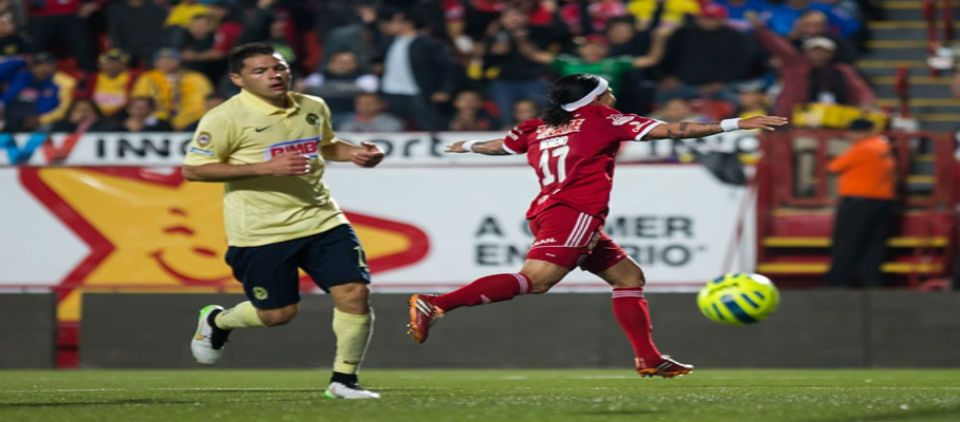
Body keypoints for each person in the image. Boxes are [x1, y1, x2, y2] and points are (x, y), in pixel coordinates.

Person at [406, 74, 788, 377]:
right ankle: (437, 303)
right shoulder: (600, 118)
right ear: (596, 99)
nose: (613, 97)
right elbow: (676, 131)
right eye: (608, 92)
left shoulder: (536, 127)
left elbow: (500, 146)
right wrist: (738, 123)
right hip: (572, 212)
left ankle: (649, 358)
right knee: (537, 281)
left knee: (628, 277)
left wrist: (468, 147)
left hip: (553, 211)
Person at [182, 43, 385, 399]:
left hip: (322, 218)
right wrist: (264, 168)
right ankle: (217, 321)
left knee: (355, 292)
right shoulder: (224, 118)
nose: (273, 75)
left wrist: (353, 153)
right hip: (260, 231)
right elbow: (194, 171)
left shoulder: (312, 105)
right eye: (260, 71)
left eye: (277, 68)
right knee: (277, 314)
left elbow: (326, 144)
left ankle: (344, 380)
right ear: (237, 79)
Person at [825, 118, 896, 288]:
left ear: (861, 132)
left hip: (858, 201)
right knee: (874, 243)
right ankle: (871, 279)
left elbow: (833, 167)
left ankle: (839, 279)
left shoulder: (863, 148)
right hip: (882, 201)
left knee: (847, 241)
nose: (848, 135)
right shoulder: (883, 147)